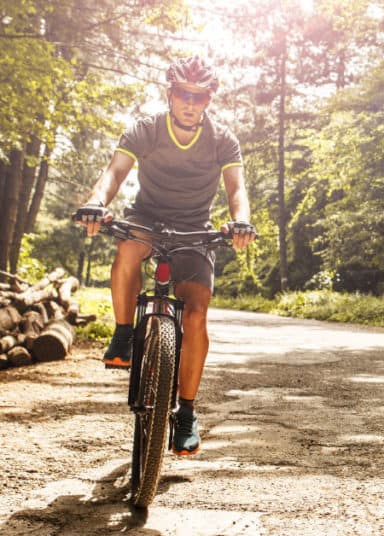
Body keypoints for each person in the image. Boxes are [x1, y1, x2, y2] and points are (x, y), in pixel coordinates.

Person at [73, 56, 256, 456]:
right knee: (127, 249)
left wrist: (240, 220)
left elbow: (236, 190)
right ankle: (123, 334)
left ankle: (186, 413)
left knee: (196, 313)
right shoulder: (146, 130)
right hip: (147, 218)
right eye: (183, 95)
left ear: (208, 99)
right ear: (170, 94)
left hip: (195, 227)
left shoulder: (222, 139)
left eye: (199, 96)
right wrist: (95, 201)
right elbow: (114, 173)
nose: (190, 103)